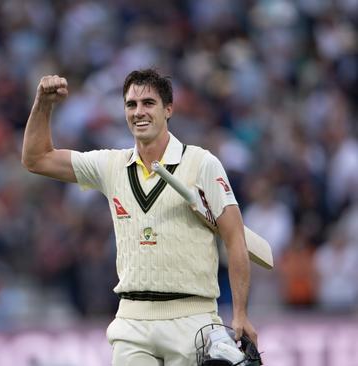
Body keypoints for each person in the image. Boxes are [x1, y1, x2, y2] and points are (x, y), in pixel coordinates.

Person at [21, 70, 258, 365]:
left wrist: (240, 313)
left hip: (192, 319)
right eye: (131, 105)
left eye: (148, 103)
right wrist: (43, 104)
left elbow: (235, 239)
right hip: (131, 320)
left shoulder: (202, 163)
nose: (139, 112)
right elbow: (36, 159)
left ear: (168, 109)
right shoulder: (111, 165)